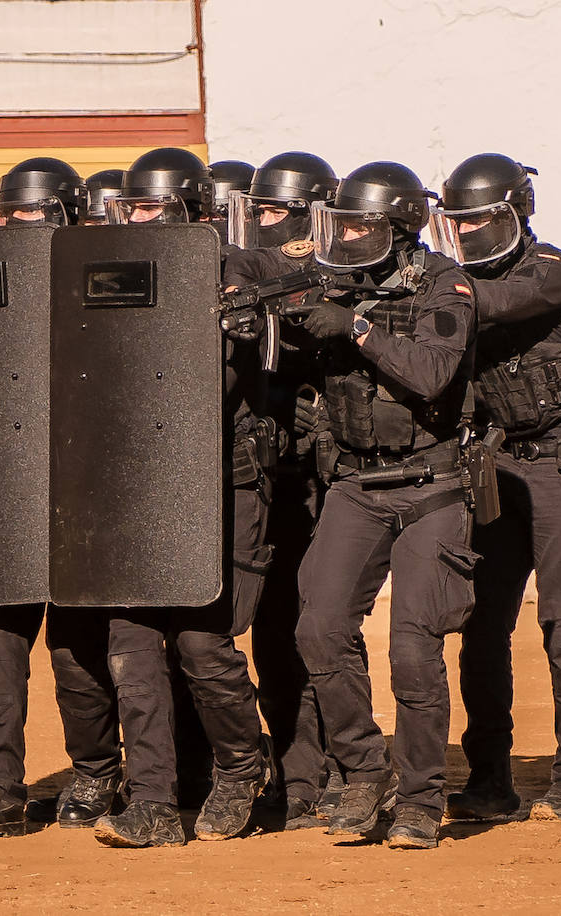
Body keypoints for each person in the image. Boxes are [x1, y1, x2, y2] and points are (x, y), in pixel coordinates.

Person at [431, 153, 561, 823]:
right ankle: (491, 781)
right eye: (457, 223)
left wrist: (420, 284)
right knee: (480, 626)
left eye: (481, 220)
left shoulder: (555, 273)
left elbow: (494, 300)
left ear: (518, 213)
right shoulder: (455, 285)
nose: (469, 234)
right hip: (500, 466)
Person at [294, 161, 478, 850]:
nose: (347, 238)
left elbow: (432, 373)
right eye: (342, 225)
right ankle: (367, 770)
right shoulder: (333, 280)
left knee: (412, 651)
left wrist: (358, 330)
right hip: (356, 485)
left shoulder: (445, 284)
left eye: (362, 226)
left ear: (400, 228)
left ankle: (422, 800)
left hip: (433, 486)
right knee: (319, 630)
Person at [0, 158, 124, 839]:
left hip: (83, 493)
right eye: (11, 217)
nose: (21, 230)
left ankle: (96, 771)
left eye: (36, 218)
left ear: (69, 217)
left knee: (76, 652)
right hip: (9, 496)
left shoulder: (103, 279)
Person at [93, 147, 268, 848]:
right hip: (140, 488)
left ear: (193, 210)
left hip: (222, 484)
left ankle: (239, 770)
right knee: (131, 642)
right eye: (129, 207)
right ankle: (155, 804)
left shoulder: (238, 273)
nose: (134, 218)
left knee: (201, 641)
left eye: (148, 207)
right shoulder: (114, 274)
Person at [220, 151, 340, 830]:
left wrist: (313, 399)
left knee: (305, 633)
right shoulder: (248, 270)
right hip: (261, 478)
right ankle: (289, 774)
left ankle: (315, 777)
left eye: (268, 209)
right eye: (255, 208)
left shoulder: (339, 271)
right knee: (262, 632)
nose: (257, 222)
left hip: (314, 484)